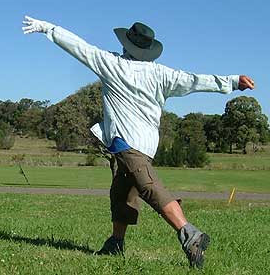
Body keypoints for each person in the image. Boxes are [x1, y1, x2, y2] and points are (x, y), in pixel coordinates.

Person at [22, 16, 255, 269]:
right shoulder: (162, 74)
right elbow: (195, 80)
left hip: (126, 144)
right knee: (121, 194)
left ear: (126, 45)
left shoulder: (110, 64)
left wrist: (47, 28)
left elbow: (79, 47)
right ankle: (115, 243)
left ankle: (190, 234)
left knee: (149, 187)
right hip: (145, 145)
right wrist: (232, 81)